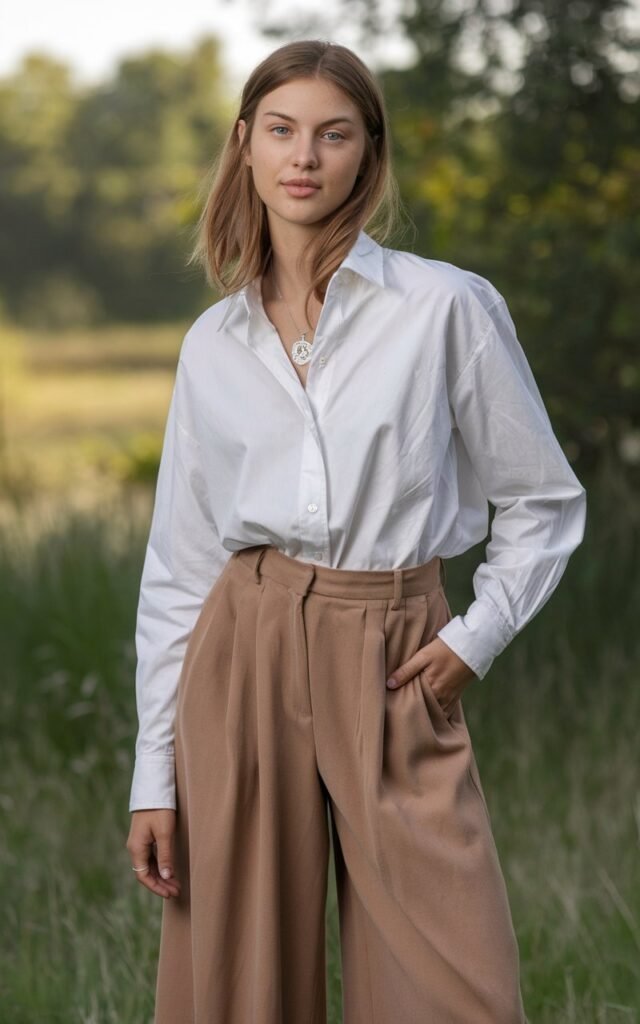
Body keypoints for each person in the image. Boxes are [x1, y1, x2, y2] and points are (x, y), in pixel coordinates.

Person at [125, 38, 586, 1024]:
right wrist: (150, 775)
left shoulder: (443, 308)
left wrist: (473, 637)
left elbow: (543, 501)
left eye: (333, 135)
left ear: (367, 155)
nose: (304, 157)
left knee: (458, 984)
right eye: (282, 131)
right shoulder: (214, 342)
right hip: (241, 644)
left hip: (394, 649)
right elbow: (180, 566)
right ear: (244, 146)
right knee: (236, 993)